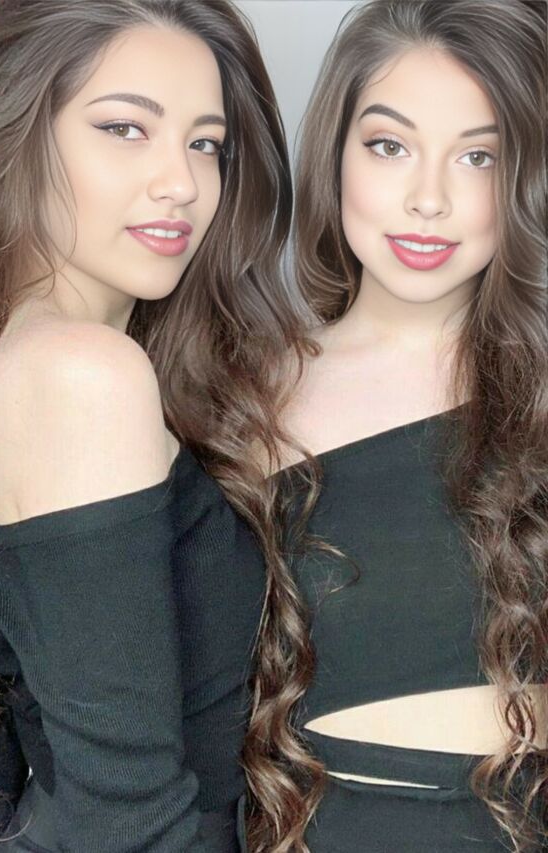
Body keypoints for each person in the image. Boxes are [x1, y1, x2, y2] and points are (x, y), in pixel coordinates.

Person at [0, 1, 313, 850]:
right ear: (15, 131)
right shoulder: (83, 375)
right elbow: (123, 815)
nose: (182, 182)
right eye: (126, 128)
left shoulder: (12, 353)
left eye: (206, 143)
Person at [244, 0, 547, 850]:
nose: (428, 199)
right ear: (335, 153)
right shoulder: (245, 398)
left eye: (479, 155)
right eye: (390, 145)